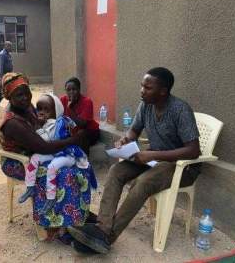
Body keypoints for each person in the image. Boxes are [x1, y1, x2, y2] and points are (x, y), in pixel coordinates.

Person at [68, 67, 201, 255]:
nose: (142, 91)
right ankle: (102, 228)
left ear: (163, 91)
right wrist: (125, 140)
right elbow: (133, 130)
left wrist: (152, 155)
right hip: (155, 159)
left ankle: (107, 237)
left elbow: (193, 150)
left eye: (148, 87)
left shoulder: (180, 109)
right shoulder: (146, 105)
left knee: (142, 182)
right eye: (142, 86)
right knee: (116, 171)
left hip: (182, 167)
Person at [0, 73, 93, 236]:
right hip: (18, 162)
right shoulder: (13, 122)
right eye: (19, 95)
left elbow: (41, 125)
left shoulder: (26, 107)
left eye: (27, 92)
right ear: (9, 97)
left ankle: (77, 212)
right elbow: (43, 147)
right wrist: (73, 140)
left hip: (35, 151)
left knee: (77, 164)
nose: (25, 98)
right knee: (64, 173)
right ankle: (53, 224)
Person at [18, 94, 93, 213]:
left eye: (46, 110)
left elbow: (45, 140)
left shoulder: (57, 123)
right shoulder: (46, 122)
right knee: (35, 158)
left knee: (52, 167)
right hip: (54, 151)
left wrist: (38, 125)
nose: (41, 112)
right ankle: (30, 186)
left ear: (56, 111)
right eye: (39, 109)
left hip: (66, 154)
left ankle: (51, 197)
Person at [60, 77, 101, 150]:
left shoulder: (87, 102)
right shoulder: (63, 100)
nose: (71, 92)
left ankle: (83, 160)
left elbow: (82, 124)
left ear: (79, 90)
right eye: (68, 90)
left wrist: (70, 108)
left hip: (90, 132)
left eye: (74, 89)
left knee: (81, 134)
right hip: (72, 131)